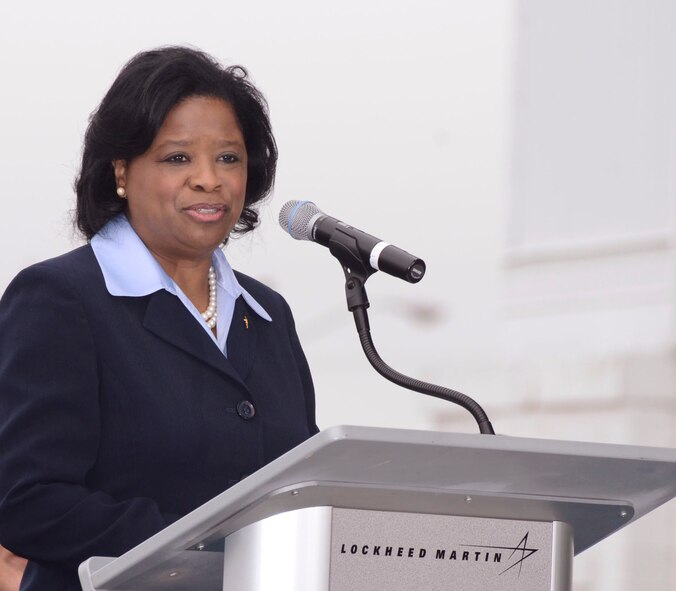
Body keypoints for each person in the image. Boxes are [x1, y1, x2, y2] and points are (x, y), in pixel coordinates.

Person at [0, 46, 318, 591]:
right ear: (121, 170)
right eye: (177, 158)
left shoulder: (268, 317)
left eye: (228, 157)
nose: (208, 180)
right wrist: (207, 543)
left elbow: (303, 490)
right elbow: (26, 500)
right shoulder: (60, 299)